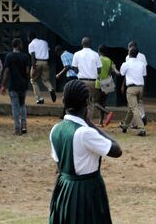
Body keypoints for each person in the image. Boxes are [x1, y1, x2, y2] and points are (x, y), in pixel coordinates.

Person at [48, 80, 122, 223]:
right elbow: (116, 150)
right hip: (86, 192)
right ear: (86, 102)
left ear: (64, 101)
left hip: (63, 188)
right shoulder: (85, 133)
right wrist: (90, 123)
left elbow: (58, 168)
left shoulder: (55, 129)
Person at [0, 38, 31, 135]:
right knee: (22, 105)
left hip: (13, 85)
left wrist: (3, 85)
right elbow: (27, 71)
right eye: (21, 44)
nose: (22, 46)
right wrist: (26, 81)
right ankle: (24, 126)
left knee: (15, 107)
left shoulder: (9, 56)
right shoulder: (25, 56)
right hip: (23, 85)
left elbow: (7, 72)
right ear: (18, 45)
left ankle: (17, 129)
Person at [71, 37, 102, 120]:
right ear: (91, 44)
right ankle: (89, 121)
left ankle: (80, 119)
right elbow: (99, 70)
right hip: (92, 82)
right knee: (90, 102)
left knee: (80, 101)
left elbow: (74, 68)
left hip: (81, 81)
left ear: (82, 44)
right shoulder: (95, 54)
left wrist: (80, 72)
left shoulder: (77, 54)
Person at [119, 47, 147, 136]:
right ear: (137, 54)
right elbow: (144, 74)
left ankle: (142, 129)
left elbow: (121, 73)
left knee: (134, 108)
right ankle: (125, 126)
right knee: (132, 107)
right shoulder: (142, 64)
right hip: (140, 88)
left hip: (131, 89)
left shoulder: (126, 63)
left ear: (129, 53)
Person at [28, 31, 56, 105]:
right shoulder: (44, 42)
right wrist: (47, 63)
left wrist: (33, 66)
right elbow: (49, 52)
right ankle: (51, 89)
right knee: (46, 80)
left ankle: (39, 99)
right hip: (45, 62)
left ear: (30, 38)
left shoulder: (31, 44)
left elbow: (33, 55)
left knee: (33, 80)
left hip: (37, 63)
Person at [95, 45, 118, 127]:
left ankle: (108, 112)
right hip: (107, 82)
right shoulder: (109, 60)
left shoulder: (98, 59)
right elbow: (112, 72)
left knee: (95, 103)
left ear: (99, 51)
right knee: (103, 103)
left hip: (98, 82)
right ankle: (101, 122)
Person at [54, 45, 77, 118]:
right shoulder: (71, 54)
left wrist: (59, 74)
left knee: (66, 95)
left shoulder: (63, 55)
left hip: (70, 77)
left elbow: (66, 67)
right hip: (76, 76)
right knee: (73, 95)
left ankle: (64, 113)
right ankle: (67, 113)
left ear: (58, 52)